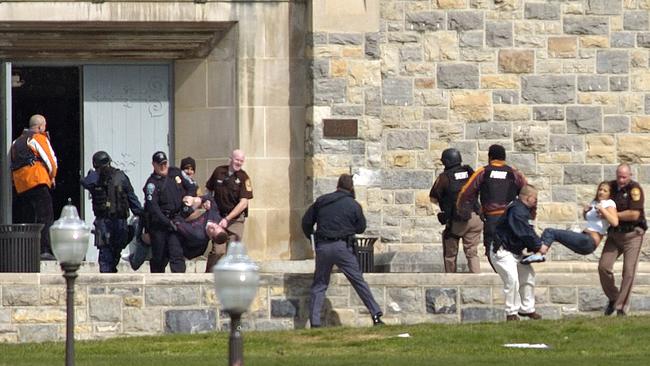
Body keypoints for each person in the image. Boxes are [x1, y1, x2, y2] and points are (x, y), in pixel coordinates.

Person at [302, 174, 384, 328]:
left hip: (323, 247)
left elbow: (306, 222)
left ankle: (315, 322)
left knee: (319, 284)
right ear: (351, 187)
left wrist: (312, 238)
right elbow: (361, 227)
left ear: (337, 185)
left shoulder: (321, 201)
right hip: (343, 248)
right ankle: (375, 315)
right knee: (358, 281)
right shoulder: (353, 205)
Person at [456, 144, 527, 266]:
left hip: (492, 219)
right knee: (512, 250)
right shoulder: (514, 173)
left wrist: (460, 208)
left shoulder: (483, 172)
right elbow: (527, 192)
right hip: (510, 219)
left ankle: (503, 279)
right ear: (504, 158)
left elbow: (465, 192)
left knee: (491, 251)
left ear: (490, 157)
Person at [80, 151, 143, 273]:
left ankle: (110, 272)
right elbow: (85, 182)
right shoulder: (98, 178)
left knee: (113, 252)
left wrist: (142, 214)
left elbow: (131, 198)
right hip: (106, 222)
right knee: (106, 254)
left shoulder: (119, 177)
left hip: (117, 222)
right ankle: (108, 275)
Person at [491, 185, 547, 321]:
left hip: (515, 252)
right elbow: (524, 232)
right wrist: (538, 246)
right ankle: (511, 313)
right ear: (528, 198)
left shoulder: (522, 210)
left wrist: (535, 247)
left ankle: (527, 309)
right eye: (535, 199)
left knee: (528, 276)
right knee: (512, 279)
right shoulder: (517, 210)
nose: (536, 202)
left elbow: (527, 231)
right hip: (503, 252)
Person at [598, 164, 646, 316]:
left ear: (630, 175)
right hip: (614, 235)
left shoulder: (634, 189)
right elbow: (597, 201)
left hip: (633, 235)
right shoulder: (610, 187)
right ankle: (613, 297)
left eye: (624, 177)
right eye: (619, 176)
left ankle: (621, 308)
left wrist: (611, 215)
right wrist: (587, 210)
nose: (621, 179)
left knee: (629, 272)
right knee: (603, 267)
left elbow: (634, 215)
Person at [10, 114, 58, 260]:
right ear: (40, 127)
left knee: (27, 218)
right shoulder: (38, 137)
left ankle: (25, 252)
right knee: (46, 216)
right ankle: (45, 250)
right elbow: (50, 159)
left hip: (21, 185)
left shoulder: (15, 142)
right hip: (37, 180)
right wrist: (52, 175)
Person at [429, 148, 483, 273]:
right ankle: (477, 281)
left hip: (459, 221)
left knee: (450, 253)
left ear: (446, 162)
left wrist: (444, 212)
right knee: (472, 253)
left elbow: (433, 197)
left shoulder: (444, 178)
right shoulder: (470, 172)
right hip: (476, 218)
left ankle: (451, 282)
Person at [204, 149, 253, 272]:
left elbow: (243, 203)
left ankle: (231, 280)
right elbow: (208, 189)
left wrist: (228, 218)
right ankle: (208, 277)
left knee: (233, 251)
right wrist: (207, 200)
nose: (239, 163)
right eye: (237, 160)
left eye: (241, 161)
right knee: (218, 250)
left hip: (235, 220)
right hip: (219, 217)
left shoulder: (244, 177)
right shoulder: (219, 171)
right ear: (230, 158)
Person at [540, 181, 618, 255]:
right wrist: (585, 212)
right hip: (582, 238)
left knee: (550, 232)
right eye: (600, 189)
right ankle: (539, 253)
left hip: (589, 241)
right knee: (553, 235)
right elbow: (591, 221)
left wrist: (602, 210)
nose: (601, 192)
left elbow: (615, 222)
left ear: (610, 194)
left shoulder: (609, 203)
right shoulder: (594, 203)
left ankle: (539, 253)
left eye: (605, 191)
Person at [142, 151, 187, 273]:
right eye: (160, 164)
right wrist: (166, 222)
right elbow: (153, 207)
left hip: (176, 221)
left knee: (177, 254)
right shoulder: (152, 183)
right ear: (154, 165)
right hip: (159, 225)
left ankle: (180, 283)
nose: (163, 167)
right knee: (159, 258)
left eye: (165, 163)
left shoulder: (175, 173)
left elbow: (191, 187)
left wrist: (191, 199)